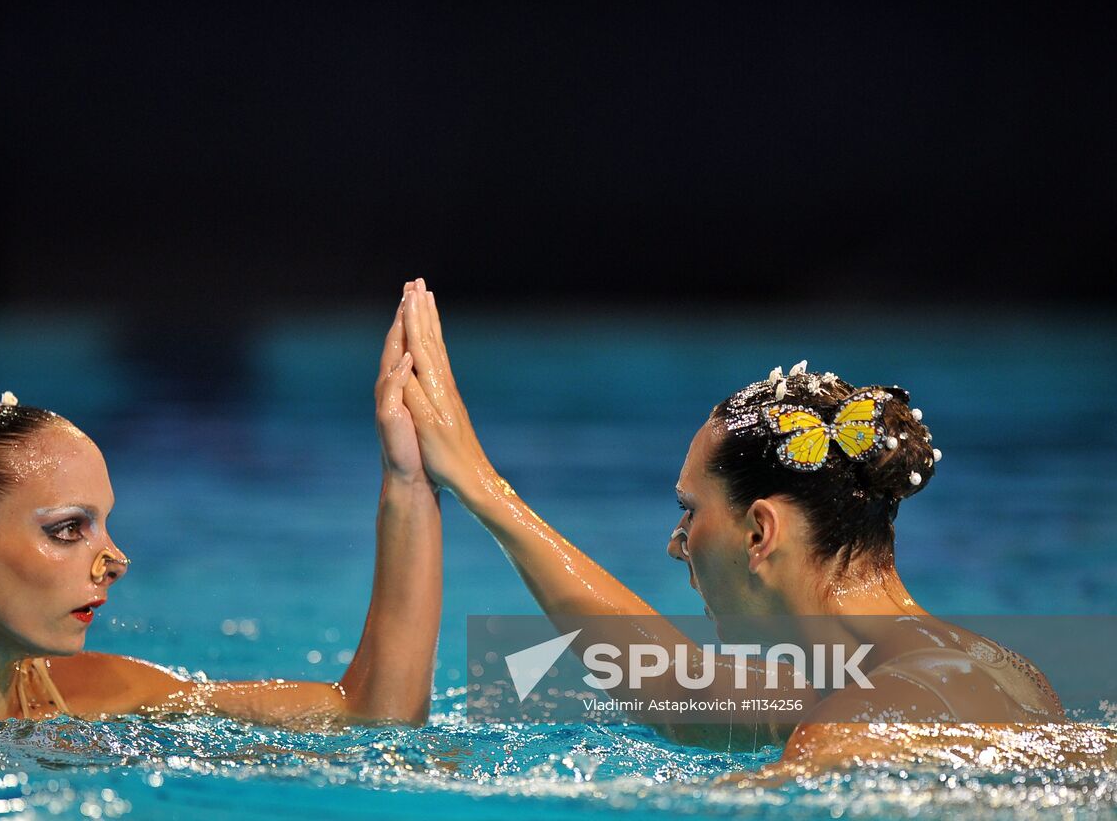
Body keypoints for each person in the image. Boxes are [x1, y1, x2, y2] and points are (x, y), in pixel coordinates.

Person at [395, 278, 1116, 777]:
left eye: (689, 513)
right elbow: (674, 692)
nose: (675, 545)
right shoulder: (968, 673)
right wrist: (480, 486)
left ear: (759, 533)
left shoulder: (849, 731)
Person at [0, 283, 441, 735]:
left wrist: (408, 479)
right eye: (67, 530)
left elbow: (369, 718)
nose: (115, 560)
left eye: (104, 524)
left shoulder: (85, 694)